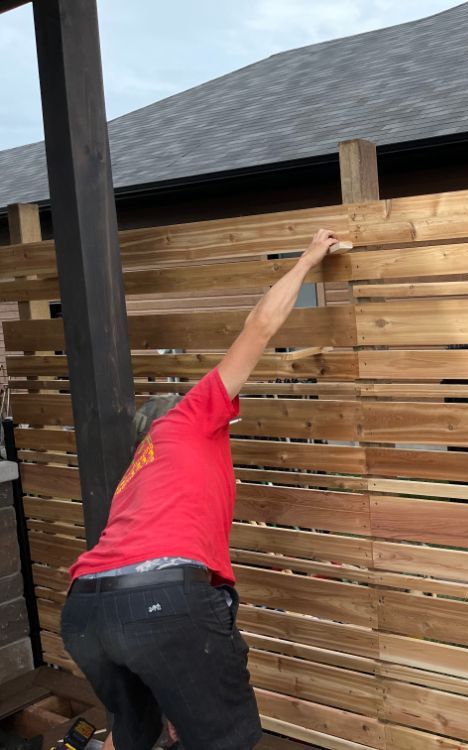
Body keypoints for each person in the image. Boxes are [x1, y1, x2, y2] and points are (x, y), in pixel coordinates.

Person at [60, 229, 346, 750]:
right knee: (225, 741)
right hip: (160, 602)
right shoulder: (191, 417)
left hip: (85, 613)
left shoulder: (139, 469)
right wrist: (305, 260)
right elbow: (258, 329)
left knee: (133, 737)